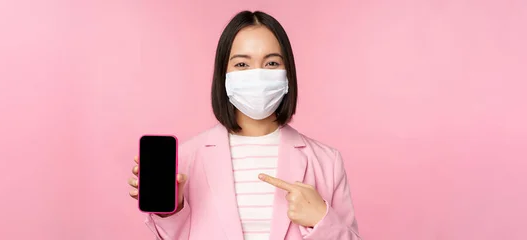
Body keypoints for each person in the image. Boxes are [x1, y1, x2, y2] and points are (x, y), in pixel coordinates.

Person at [128, 10, 361, 240]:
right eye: (242, 65)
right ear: (224, 76)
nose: (257, 75)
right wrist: (171, 211)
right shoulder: (186, 160)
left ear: (287, 73)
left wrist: (322, 220)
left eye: (271, 63)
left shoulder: (327, 162)